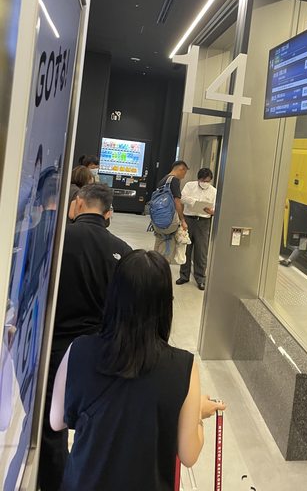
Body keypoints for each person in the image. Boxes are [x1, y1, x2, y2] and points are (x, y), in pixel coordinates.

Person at [50, 250, 225, 490]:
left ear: (113, 296)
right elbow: (189, 454)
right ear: (165, 304)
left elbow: (56, 421)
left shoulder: (79, 350)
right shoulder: (182, 367)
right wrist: (197, 414)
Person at [39, 183, 132, 491]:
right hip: (101, 353)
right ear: (109, 214)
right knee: (96, 427)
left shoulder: (54, 239)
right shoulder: (122, 251)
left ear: (78, 203)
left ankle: (55, 484)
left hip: (54, 350)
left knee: (51, 427)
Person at [177, 168, 217, 291]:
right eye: (203, 181)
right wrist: (195, 202)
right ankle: (184, 276)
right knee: (186, 248)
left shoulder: (214, 191)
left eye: (208, 181)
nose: (205, 183)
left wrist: (211, 211)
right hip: (189, 219)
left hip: (204, 222)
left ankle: (200, 279)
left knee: (201, 251)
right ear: (198, 179)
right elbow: (182, 198)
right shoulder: (190, 186)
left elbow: (216, 208)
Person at [152, 160, 189, 263]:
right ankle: (161, 270)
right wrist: (182, 220)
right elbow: (177, 201)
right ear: (181, 169)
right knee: (167, 249)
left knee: (159, 244)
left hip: (158, 219)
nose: (184, 176)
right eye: (184, 173)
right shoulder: (174, 180)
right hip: (169, 220)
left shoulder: (163, 180)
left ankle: (154, 266)